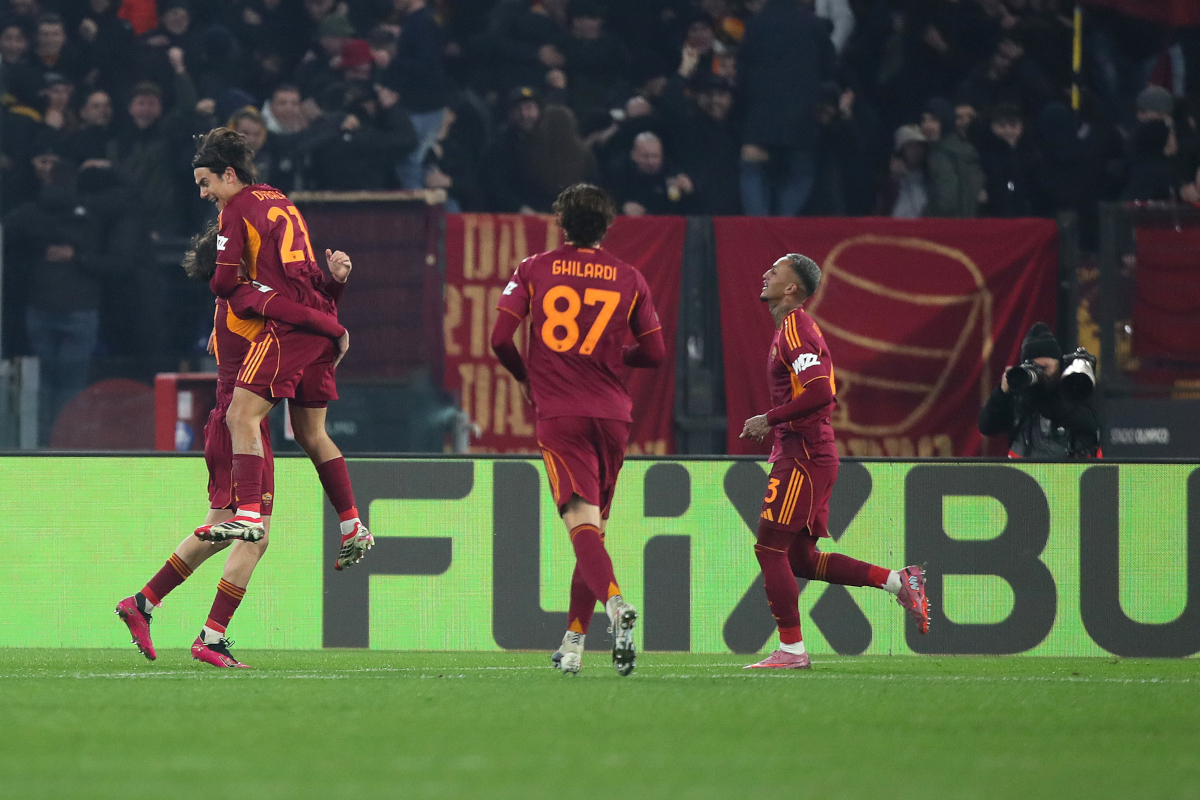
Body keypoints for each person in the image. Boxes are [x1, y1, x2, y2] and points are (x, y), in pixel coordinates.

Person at [115, 224, 359, 668]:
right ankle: (204, 634)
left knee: (224, 531)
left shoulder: (243, 298)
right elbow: (307, 324)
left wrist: (334, 286)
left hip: (242, 427)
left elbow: (305, 319)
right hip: (237, 426)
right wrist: (336, 313)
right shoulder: (244, 298)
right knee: (252, 535)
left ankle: (146, 605)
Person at [490, 183, 665, 676]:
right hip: (612, 416)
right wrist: (613, 354)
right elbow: (654, 352)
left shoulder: (534, 269)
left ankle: (616, 605)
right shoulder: (630, 278)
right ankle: (572, 644)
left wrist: (525, 376)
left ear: (562, 223)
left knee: (580, 526)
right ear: (607, 227)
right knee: (593, 531)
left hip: (562, 414)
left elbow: (500, 339)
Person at [191, 127, 373, 575]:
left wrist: (234, 283)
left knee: (240, 415)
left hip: (292, 329)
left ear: (228, 174)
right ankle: (352, 524)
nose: (203, 194)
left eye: (206, 182)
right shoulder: (281, 199)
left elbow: (222, 281)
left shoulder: (237, 209)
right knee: (312, 433)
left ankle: (250, 514)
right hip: (319, 317)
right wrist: (335, 293)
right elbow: (304, 280)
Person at [738, 254, 930, 669]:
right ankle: (899, 581)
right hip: (809, 452)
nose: (766, 273)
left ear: (792, 287)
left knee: (769, 549)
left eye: (776, 271)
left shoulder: (795, 328)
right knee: (800, 559)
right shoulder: (791, 329)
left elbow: (821, 392)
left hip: (803, 453)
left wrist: (769, 419)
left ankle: (792, 650)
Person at [978, 322, 1101, 458]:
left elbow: (1089, 424)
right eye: (1034, 367)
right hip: (1023, 470)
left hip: (1071, 469)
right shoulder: (1020, 392)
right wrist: (1001, 393)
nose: (1040, 373)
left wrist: (1037, 399)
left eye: (1044, 368)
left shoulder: (1075, 384)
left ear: (1059, 365)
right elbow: (987, 427)